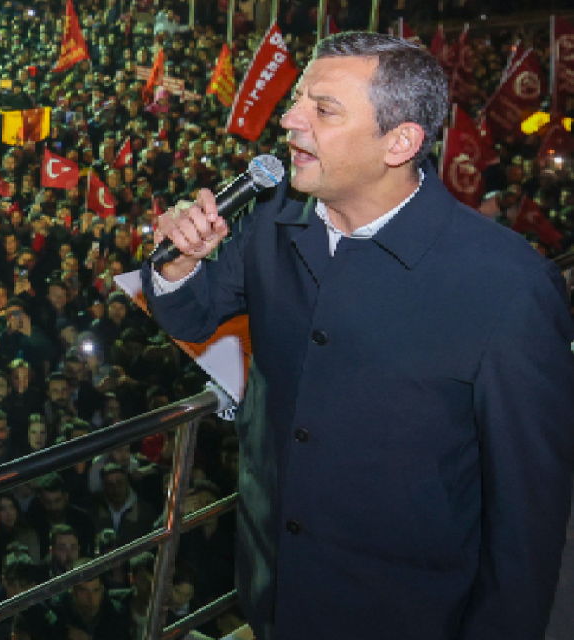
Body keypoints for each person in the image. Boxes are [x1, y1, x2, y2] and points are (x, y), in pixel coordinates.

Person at [143, 32, 574, 639]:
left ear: (400, 143)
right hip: (273, 596)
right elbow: (192, 316)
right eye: (297, 99)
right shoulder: (272, 221)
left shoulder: (508, 286)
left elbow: (527, 519)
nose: (289, 120)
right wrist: (179, 263)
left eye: (323, 109)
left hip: (408, 617)